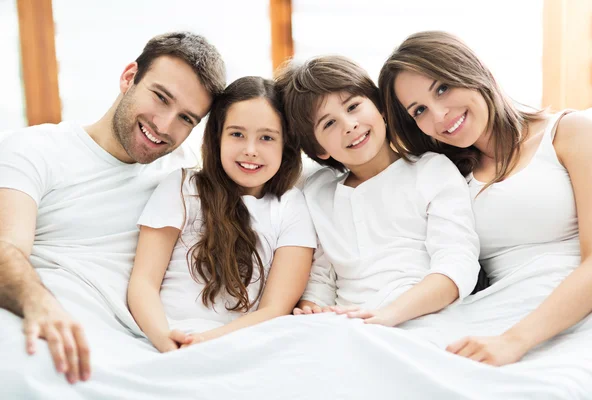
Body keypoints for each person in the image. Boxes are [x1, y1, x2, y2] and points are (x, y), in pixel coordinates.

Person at [0, 31, 225, 384]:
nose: (164, 126)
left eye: (186, 119)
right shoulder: (34, 149)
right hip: (40, 318)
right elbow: (7, 246)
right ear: (128, 77)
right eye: (161, 98)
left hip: (132, 344)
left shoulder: (185, 175)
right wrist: (37, 303)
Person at [379, 30, 592, 366]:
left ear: (471, 71)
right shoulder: (445, 175)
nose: (439, 115)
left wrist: (516, 340)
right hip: (492, 317)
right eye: (419, 110)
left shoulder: (568, 132)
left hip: (575, 318)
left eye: (442, 88)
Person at [275, 55, 480, 327]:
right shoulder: (318, 192)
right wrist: (311, 307)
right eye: (329, 124)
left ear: (380, 107)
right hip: (346, 321)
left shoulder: (431, 171)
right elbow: (321, 278)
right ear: (318, 150)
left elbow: (457, 265)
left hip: (422, 315)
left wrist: (390, 314)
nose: (349, 125)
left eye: (353, 107)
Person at [127, 76, 316, 352]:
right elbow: (143, 282)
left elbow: (275, 309)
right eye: (237, 134)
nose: (250, 151)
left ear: (285, 145)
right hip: (164, 339)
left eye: (266, 137)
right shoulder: (182, 187)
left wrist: (205, 343)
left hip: (242, 343)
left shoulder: (290, 205)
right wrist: (165, 339)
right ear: (217, 137)